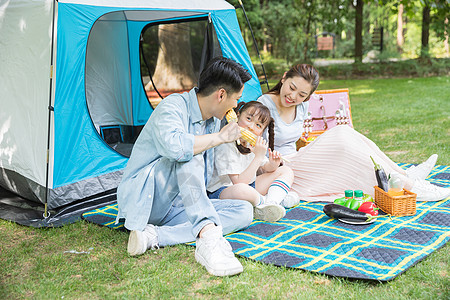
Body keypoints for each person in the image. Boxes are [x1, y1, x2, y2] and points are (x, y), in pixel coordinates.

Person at [116, 57, 254, 277]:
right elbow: (177, 149)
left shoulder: (213, 120)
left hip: (180, 205)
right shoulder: (172, 106)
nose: (236, 106)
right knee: (188, 154)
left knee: (244, 211)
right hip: (146, 199)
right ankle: (208, 237)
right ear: (221, 95)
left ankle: (155, 236)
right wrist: (218, 137)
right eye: (236, 99)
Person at [257, 64, 450, 202]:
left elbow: (295, 138)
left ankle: (403, 174)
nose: (293, 97)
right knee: (342, 139)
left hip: (298, 156)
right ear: (284, 78)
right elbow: (254, 153)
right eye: (292, 88)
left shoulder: (302, 107)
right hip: (280, 168)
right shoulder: (263, 105)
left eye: (302, 95)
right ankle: (409, 186)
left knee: (347, 136)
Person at [206, 101, 300, 222]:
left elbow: (266, 168)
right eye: (249, 118)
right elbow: (239, 183)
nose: (251, 126)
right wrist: (258, 157)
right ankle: (270, 201)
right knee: (242, 190)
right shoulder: (226, 145)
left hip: (250, 187)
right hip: (224, 191)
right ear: (237, 115)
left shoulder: (251, 144)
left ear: (262, 131)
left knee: (286, 171)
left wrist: (273, 163)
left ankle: (272, 202)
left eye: (258, 125)